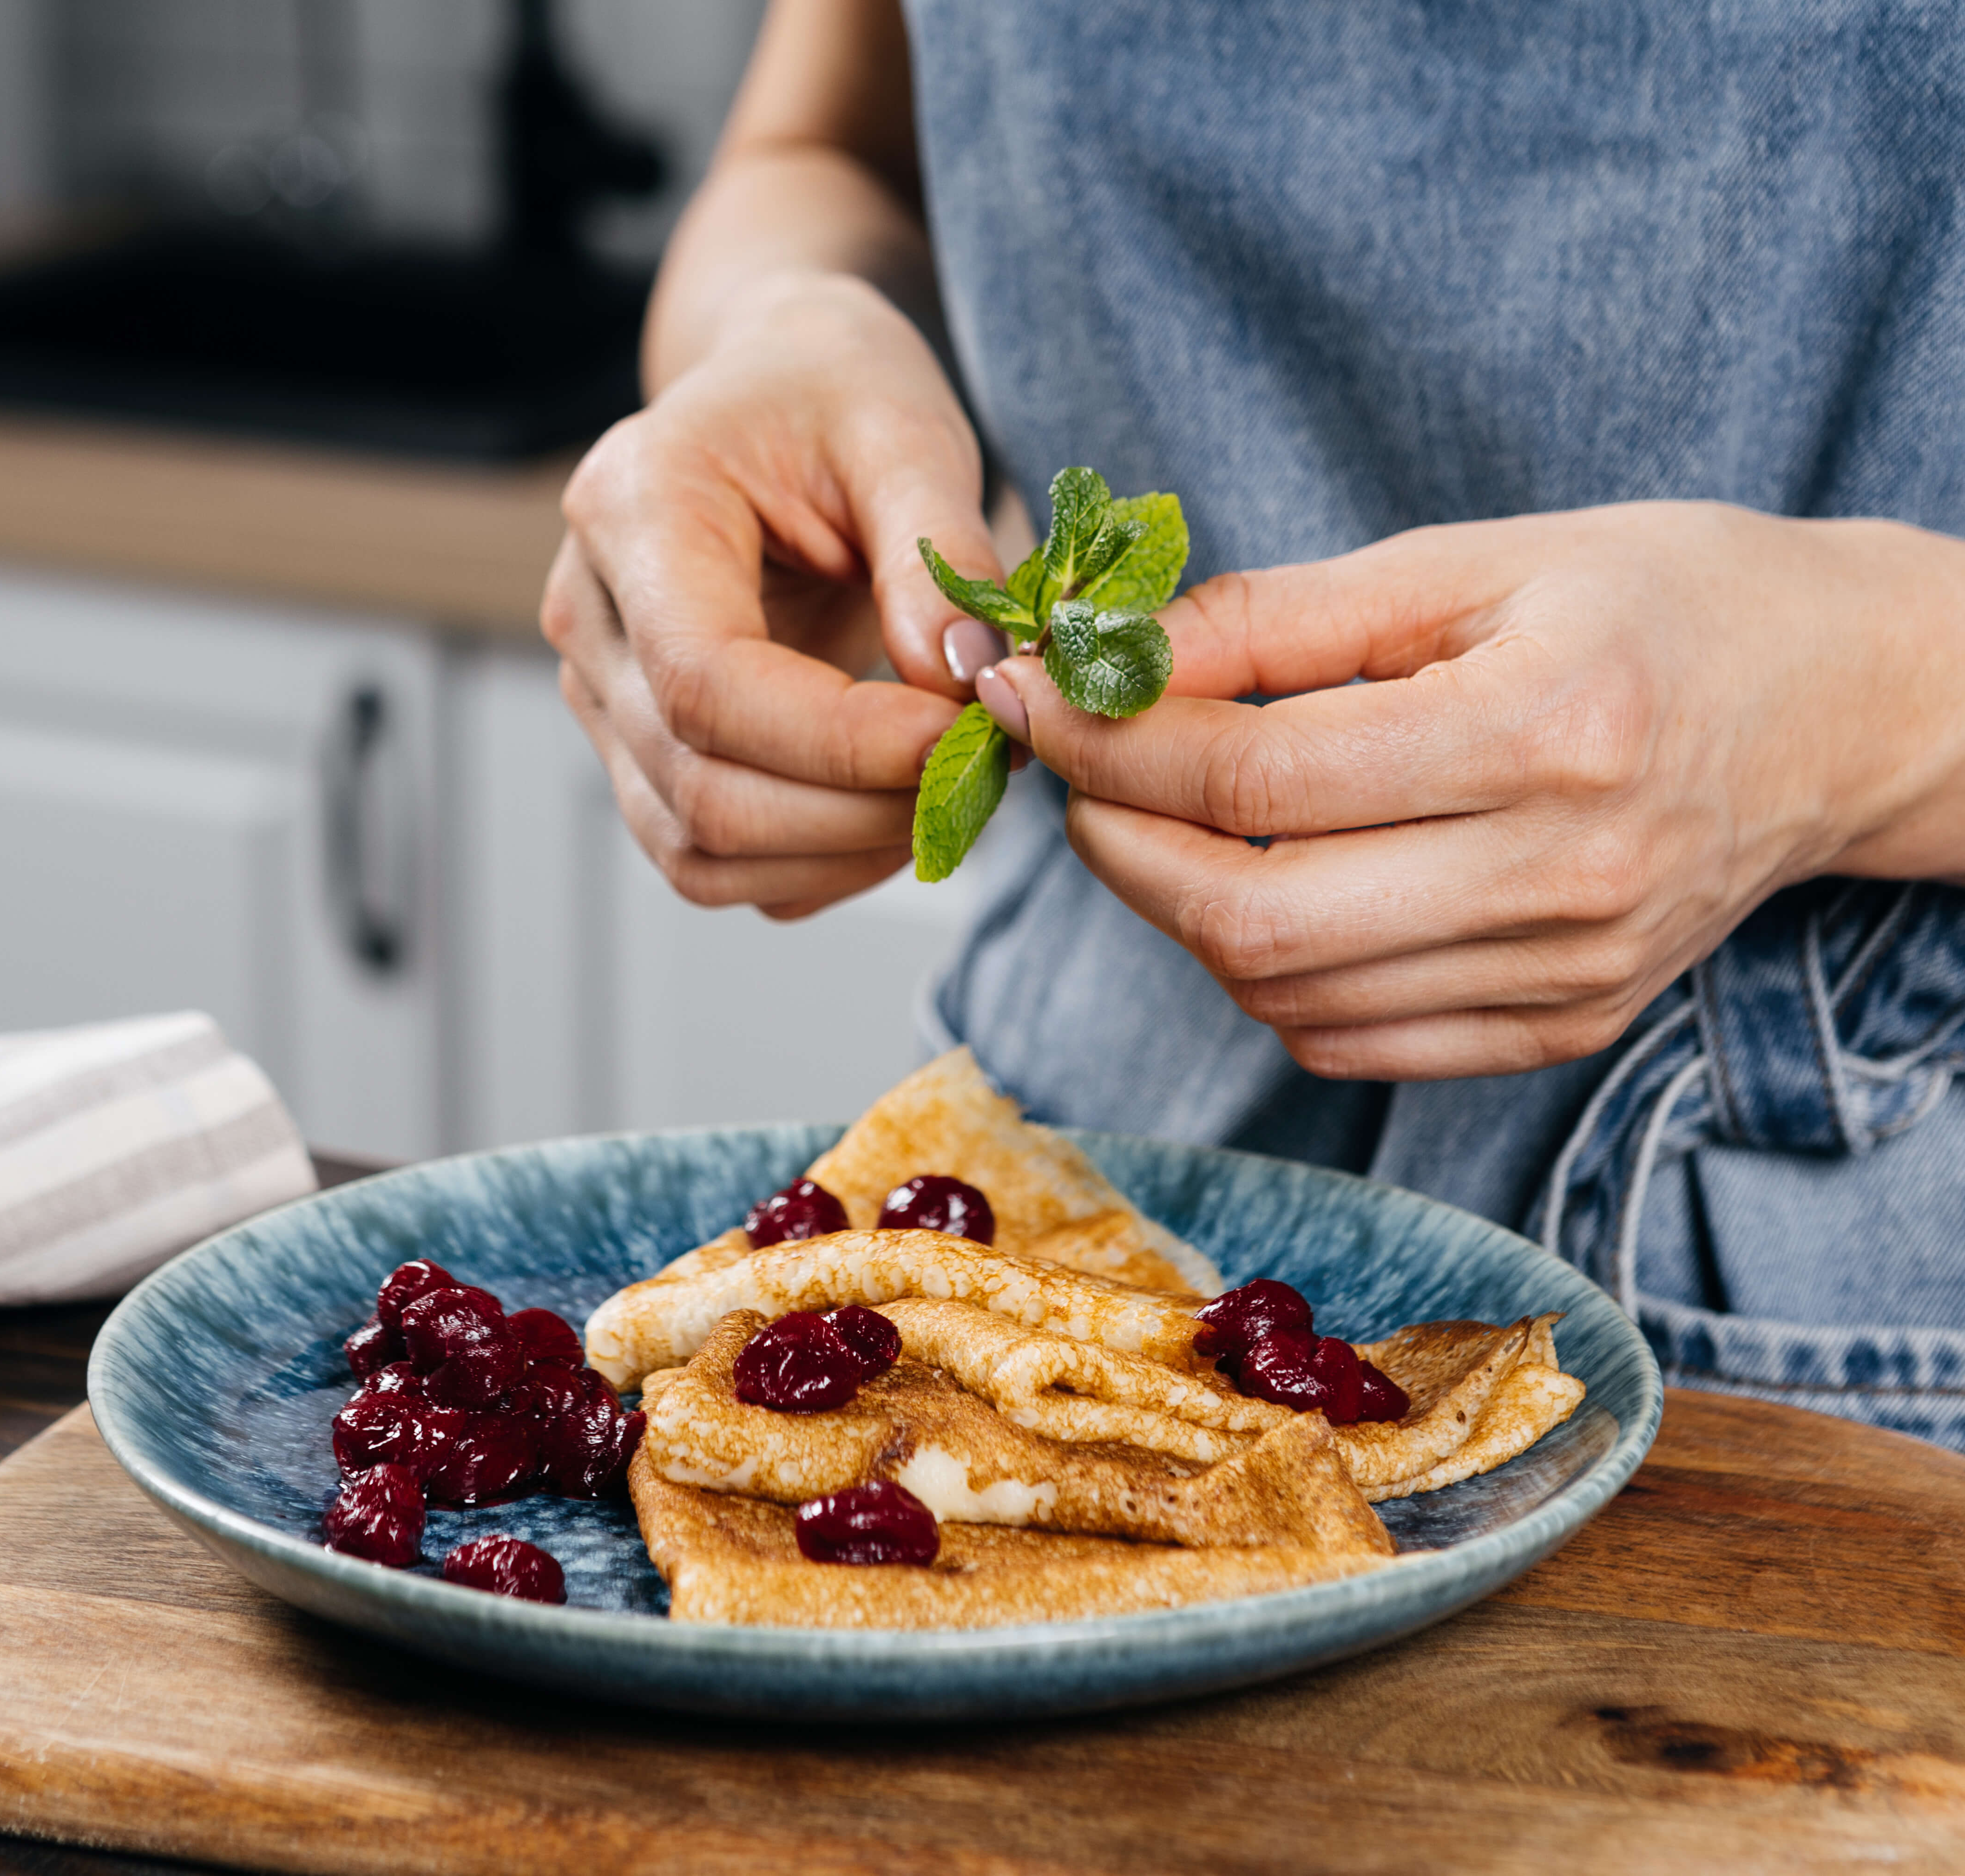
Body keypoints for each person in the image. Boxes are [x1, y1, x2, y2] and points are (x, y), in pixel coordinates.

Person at [540, 0, 1965, 1445]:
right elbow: (827, 149)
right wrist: (784, 324)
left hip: (1852, 1300)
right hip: (1076, 1166)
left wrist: (1874, 701)